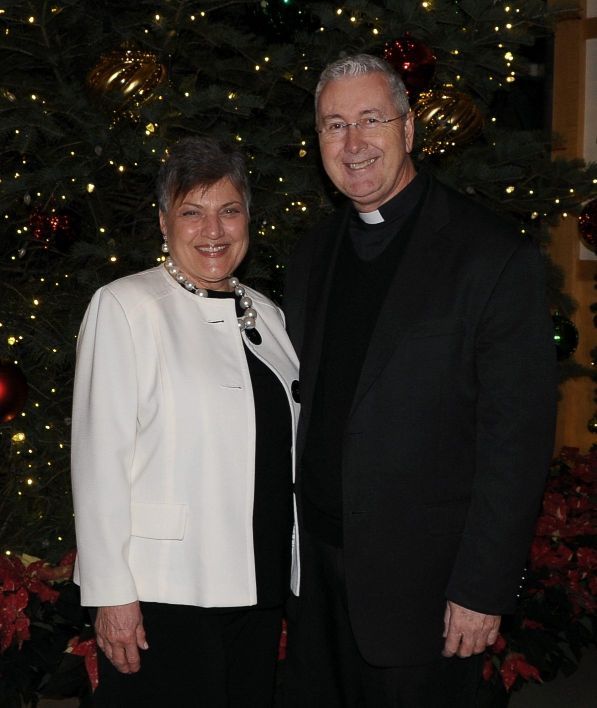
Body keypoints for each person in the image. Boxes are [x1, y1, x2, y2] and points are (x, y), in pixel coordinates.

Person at [282, 54, 557, 707]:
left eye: (370, 120)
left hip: (424, 588)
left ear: (407, 129)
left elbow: (516, 444)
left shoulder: (491, 255)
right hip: (315, 574)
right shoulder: (311, 254)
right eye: (334, 125)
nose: (352, 143)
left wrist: (481, 588)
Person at [70, 136, 300, 707]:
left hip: (260, 587)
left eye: (229, 210)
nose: (213, 230)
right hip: (164, 591)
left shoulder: (269, 316)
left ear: (248, 218)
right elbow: (99, 462)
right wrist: (110, 594)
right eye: (192, 213)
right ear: (163, 222)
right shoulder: (125, 307)